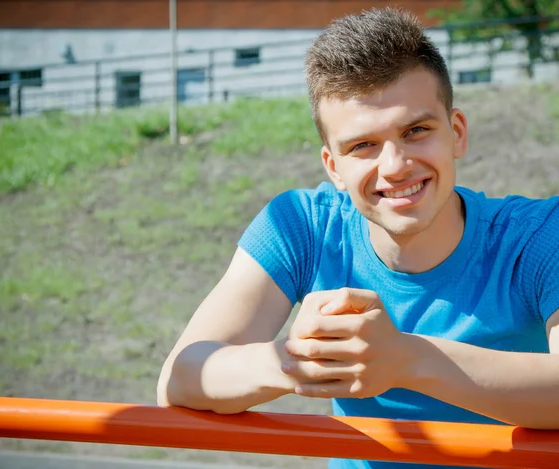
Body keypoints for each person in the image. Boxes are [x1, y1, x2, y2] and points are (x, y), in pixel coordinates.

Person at [156, 7, 559, 469]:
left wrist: (405, 359)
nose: (394, 165)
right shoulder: (302, 225)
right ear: (333, 167)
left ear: (457, 133)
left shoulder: (541, 234)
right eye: (362, 145)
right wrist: (297, 359)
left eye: (416, 131)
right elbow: (180, 376)